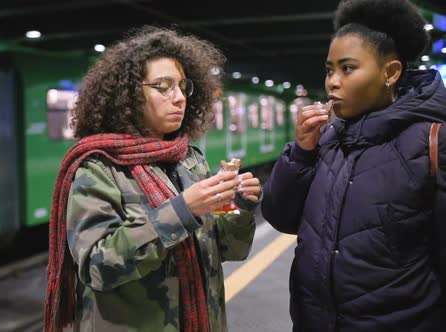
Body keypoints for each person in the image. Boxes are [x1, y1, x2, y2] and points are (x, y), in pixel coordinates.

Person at [43, 26, 261, 332]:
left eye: (183, 87)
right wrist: (182, 211)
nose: (179, 98)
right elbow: (97, 267)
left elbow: (229, 249)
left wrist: (239, 206)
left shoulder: (190, 159)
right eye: (164, 87)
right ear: (130, 95)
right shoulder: (99, 168)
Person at [261, 0, 446, 331]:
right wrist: (302, 151)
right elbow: (281, 216)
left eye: (347, 69)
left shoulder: (433, 143)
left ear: (390, 73)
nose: (333, 82)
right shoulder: (328, 137)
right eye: (330, 69)